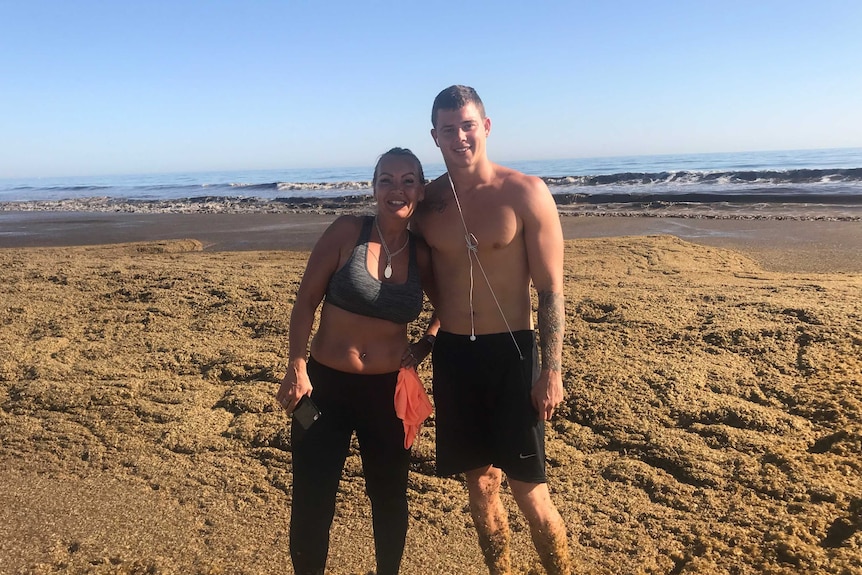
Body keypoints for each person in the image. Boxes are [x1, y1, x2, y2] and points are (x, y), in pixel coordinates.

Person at [412, 86, 571, 574]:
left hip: (514, 356)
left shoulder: (524, 192)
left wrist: (552, 371)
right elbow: (421, 276)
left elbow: (550, 291)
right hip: (456, 357)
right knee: (480, 487)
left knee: (531, 491)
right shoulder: (427, 204)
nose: (459, 137)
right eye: (447, 128)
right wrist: (429, 335)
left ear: (486, 125)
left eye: (467, 125)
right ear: (434, 136)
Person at [276, 147, 437, 575]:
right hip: (323, 389)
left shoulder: (422, 254)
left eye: (407, 180)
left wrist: (425, 345)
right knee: (313, 495)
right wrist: (296, 366)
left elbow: (450, 307)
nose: (396, 189)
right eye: (386, 179)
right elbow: (305, 302)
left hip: (387, 396)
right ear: (374, 187)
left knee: (389, 497)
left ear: (420, 190)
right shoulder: (346, 232)